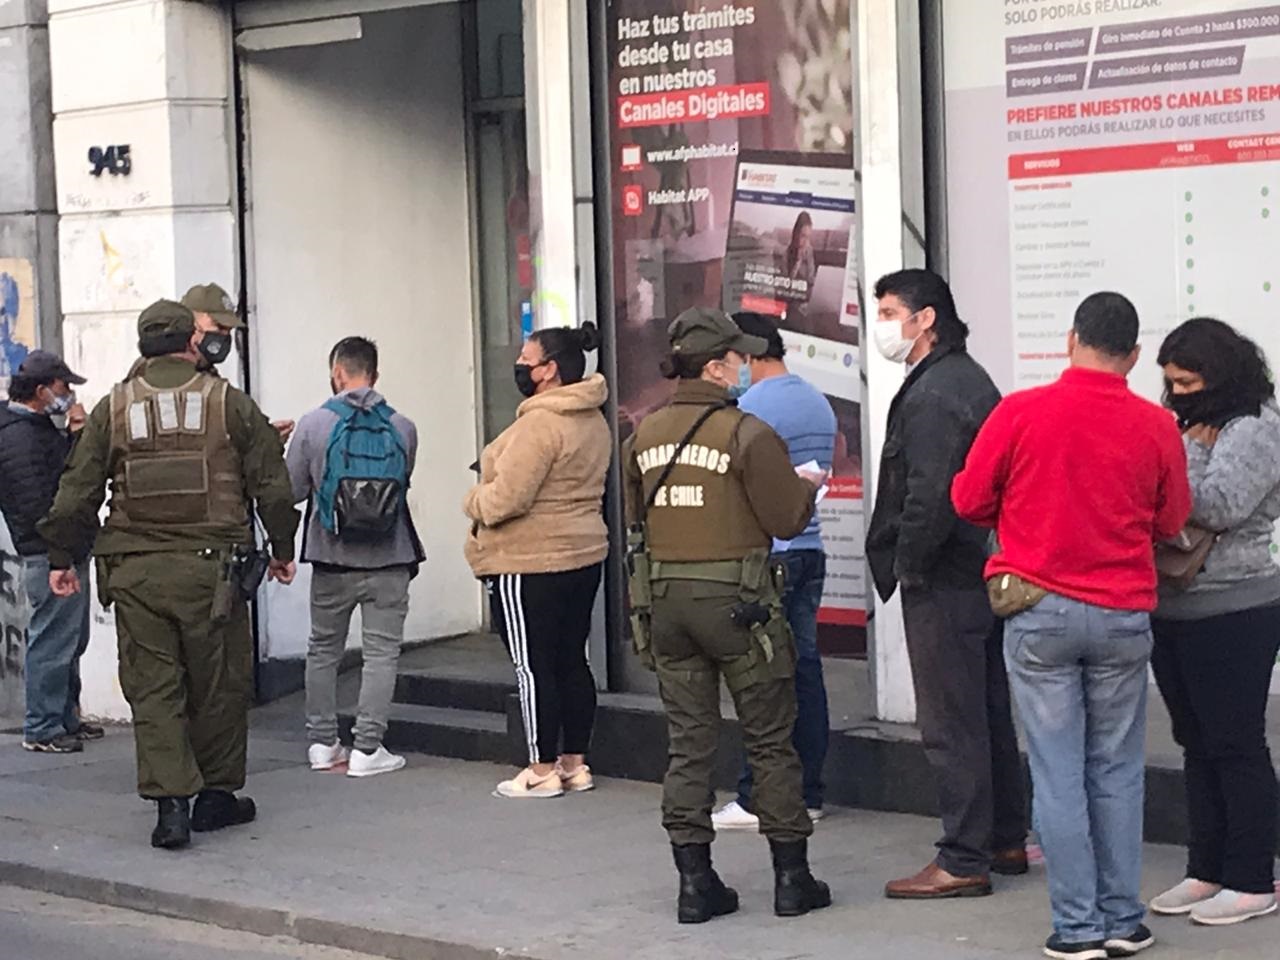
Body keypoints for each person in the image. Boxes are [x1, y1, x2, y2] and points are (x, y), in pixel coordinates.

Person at [952, 292, 1192, 960]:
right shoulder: (1155, 426)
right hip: (1122, 614)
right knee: (1117, 771)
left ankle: (1078, 927)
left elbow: (968, 499)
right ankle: (1123, 919)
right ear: (1136, 356)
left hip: (1038, 611)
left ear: (1070, 339)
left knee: (1058, 773)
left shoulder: (1020, 412)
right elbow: (1172, 522)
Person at [39, 299, 300, 851]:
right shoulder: (228, 403)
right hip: (213, 576)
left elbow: (76, 494)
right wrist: (281, 548)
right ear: (191, 342)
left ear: (142, 344)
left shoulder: (113, 408)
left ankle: (170, 810)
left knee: (154, 691)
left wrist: (62, 560)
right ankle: (216, 798)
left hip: (135, 573)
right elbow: (272, 485)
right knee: (218, 685)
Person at [622, 307, 831, 923]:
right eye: (736, 359)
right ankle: (792, 880)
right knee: (769, 741)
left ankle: (695, 886)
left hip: (667, 606)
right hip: (741, 609)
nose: (743, 367)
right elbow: (787, 520)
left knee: (689, 746)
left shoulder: (644, 435)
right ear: (715, 367)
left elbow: (637, 518)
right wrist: (805, 486)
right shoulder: (746, 433)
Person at [863, 269, 1028, 899]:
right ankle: (1004, 837)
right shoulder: (961, 377)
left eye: (887, 311)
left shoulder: (937, 392)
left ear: (925, 318)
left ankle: (963, 857)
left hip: (945, 575)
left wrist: (909, 564)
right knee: (984, 711)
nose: (881, 324)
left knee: (951, 721)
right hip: (973, 571)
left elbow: (931, 494)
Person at [1145, 318, 1280, 926]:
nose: (1177, 394)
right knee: (1194, 743)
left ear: (1219, 375)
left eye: (1189, 382)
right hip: (1172, 602)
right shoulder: (1181, 424)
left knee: (1234, 741)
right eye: (1171, 383)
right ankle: (1206, 868)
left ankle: (1253, 876)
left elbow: (1220, 504)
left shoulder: (1255, 427)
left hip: (1237, 605)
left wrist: (1183, 457)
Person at [464, 324, 610, 798]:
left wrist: (474, 500)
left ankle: (541, 769)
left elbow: (508, 498)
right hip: (583, 554)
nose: (520, 368)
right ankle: (575, 763)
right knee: (572, 659)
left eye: (527, 360)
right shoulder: (593, 418)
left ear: (549, 370)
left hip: (528, 560)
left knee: (532, 666)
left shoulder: (540, 424)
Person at [711, 312, 836, 829]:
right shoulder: (817, 400)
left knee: (762, 679)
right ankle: (809, 792)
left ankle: (757, 793)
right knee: (806, 671)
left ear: (747, 354)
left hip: (770, 555)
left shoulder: (749, 407)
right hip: (810, 550)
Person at [289, 336, 423, 779]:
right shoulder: (403, 427)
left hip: (331, 557)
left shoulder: (312, 425)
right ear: (375, 375)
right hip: (390, 557)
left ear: (336, 373)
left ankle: (323, 744)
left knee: (323, 650)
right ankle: (368, 749)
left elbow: (290, 491)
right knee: (382, 654)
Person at [0, 351, 101, 753]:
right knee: (53, 640)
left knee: (70, 638)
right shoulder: (20, 437)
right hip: (49, 553)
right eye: (64, 387)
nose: (70, 393)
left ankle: (64, 717)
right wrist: (77, 437)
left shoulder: (35, 427)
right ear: (42, 391)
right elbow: (44, 500)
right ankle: (43, 726)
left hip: (62, 549)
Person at [180, 283, 295, 443]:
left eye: (228, 330)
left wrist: (263, 441)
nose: (224, 335)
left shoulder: (211, 379)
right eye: (219, 326)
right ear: (190, 324)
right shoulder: (158, 377)